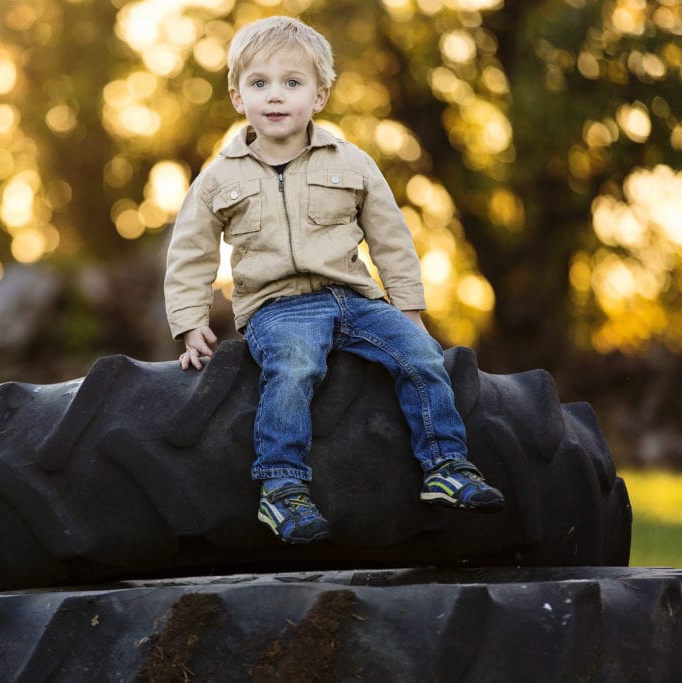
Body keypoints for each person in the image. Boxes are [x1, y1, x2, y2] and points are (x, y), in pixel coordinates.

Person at [163, 15, 504, 544]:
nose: (275, 97)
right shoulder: (219, 177)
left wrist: (408, 308)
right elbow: (190, 252)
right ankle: (282, 489)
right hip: (277, 308)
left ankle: (446, 466)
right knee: (294, 367)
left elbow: (389, 237)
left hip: (355, 299)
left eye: (291, 83)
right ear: (237, 97)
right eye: (259, 84)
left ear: (319, 96)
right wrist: (189, 323)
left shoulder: (352, 162)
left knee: (420, 355)